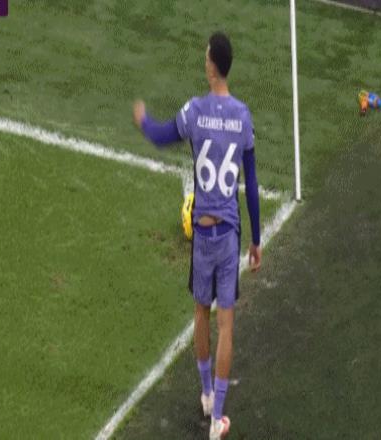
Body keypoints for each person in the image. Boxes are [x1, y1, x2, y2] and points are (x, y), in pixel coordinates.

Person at [132, 31, 261, 440]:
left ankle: (206, 393)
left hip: (202, 235)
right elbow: (251, 185)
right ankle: (217, 416)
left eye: (206, 57)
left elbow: (160, 136)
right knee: (227, 323)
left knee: (201, 313)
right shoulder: (243, 116)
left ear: (211, 67)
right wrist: (256, 240)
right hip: (229, 235)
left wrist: (142, 119)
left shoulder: (194, 110)